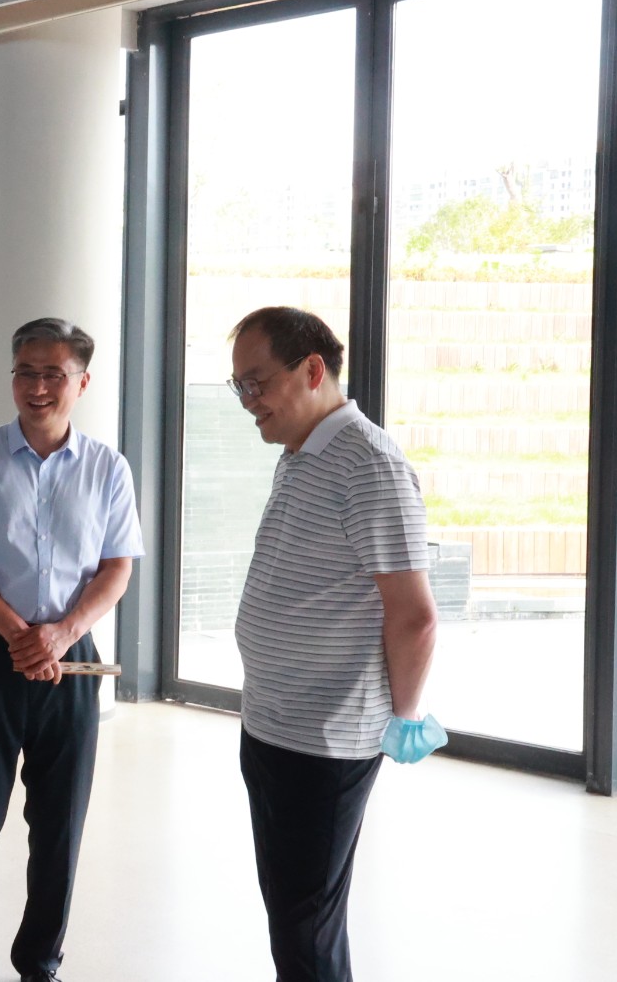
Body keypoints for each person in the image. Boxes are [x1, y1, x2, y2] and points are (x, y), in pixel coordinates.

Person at [0, 318, 144, 982]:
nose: (37, 387)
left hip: (71, 664)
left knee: (59, 829)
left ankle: (40, 963)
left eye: (53, 374)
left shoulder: (107, 468)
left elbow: (117, 568)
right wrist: (21, 635)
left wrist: (61, 633)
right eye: (25, 372)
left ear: (82, 382)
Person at [227, 306, 439, 982]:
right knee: (293, 919)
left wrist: (403, 717)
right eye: (239, 386)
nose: (248, 401)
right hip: (273, 724)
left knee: (306, 928)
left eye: (258, 383)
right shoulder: (301, 454)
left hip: (325, 738)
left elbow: (414, 615)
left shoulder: (369, 463)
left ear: (313, 370)